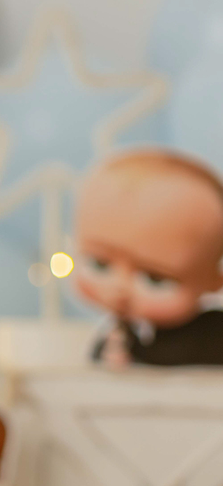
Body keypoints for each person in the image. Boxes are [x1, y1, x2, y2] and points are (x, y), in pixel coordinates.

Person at [73, 149, 223, 368]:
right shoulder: (124, 332)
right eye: (101, 264)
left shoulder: (212, 335)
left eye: (155, 278)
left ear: (215, 280)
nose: (119, 288)